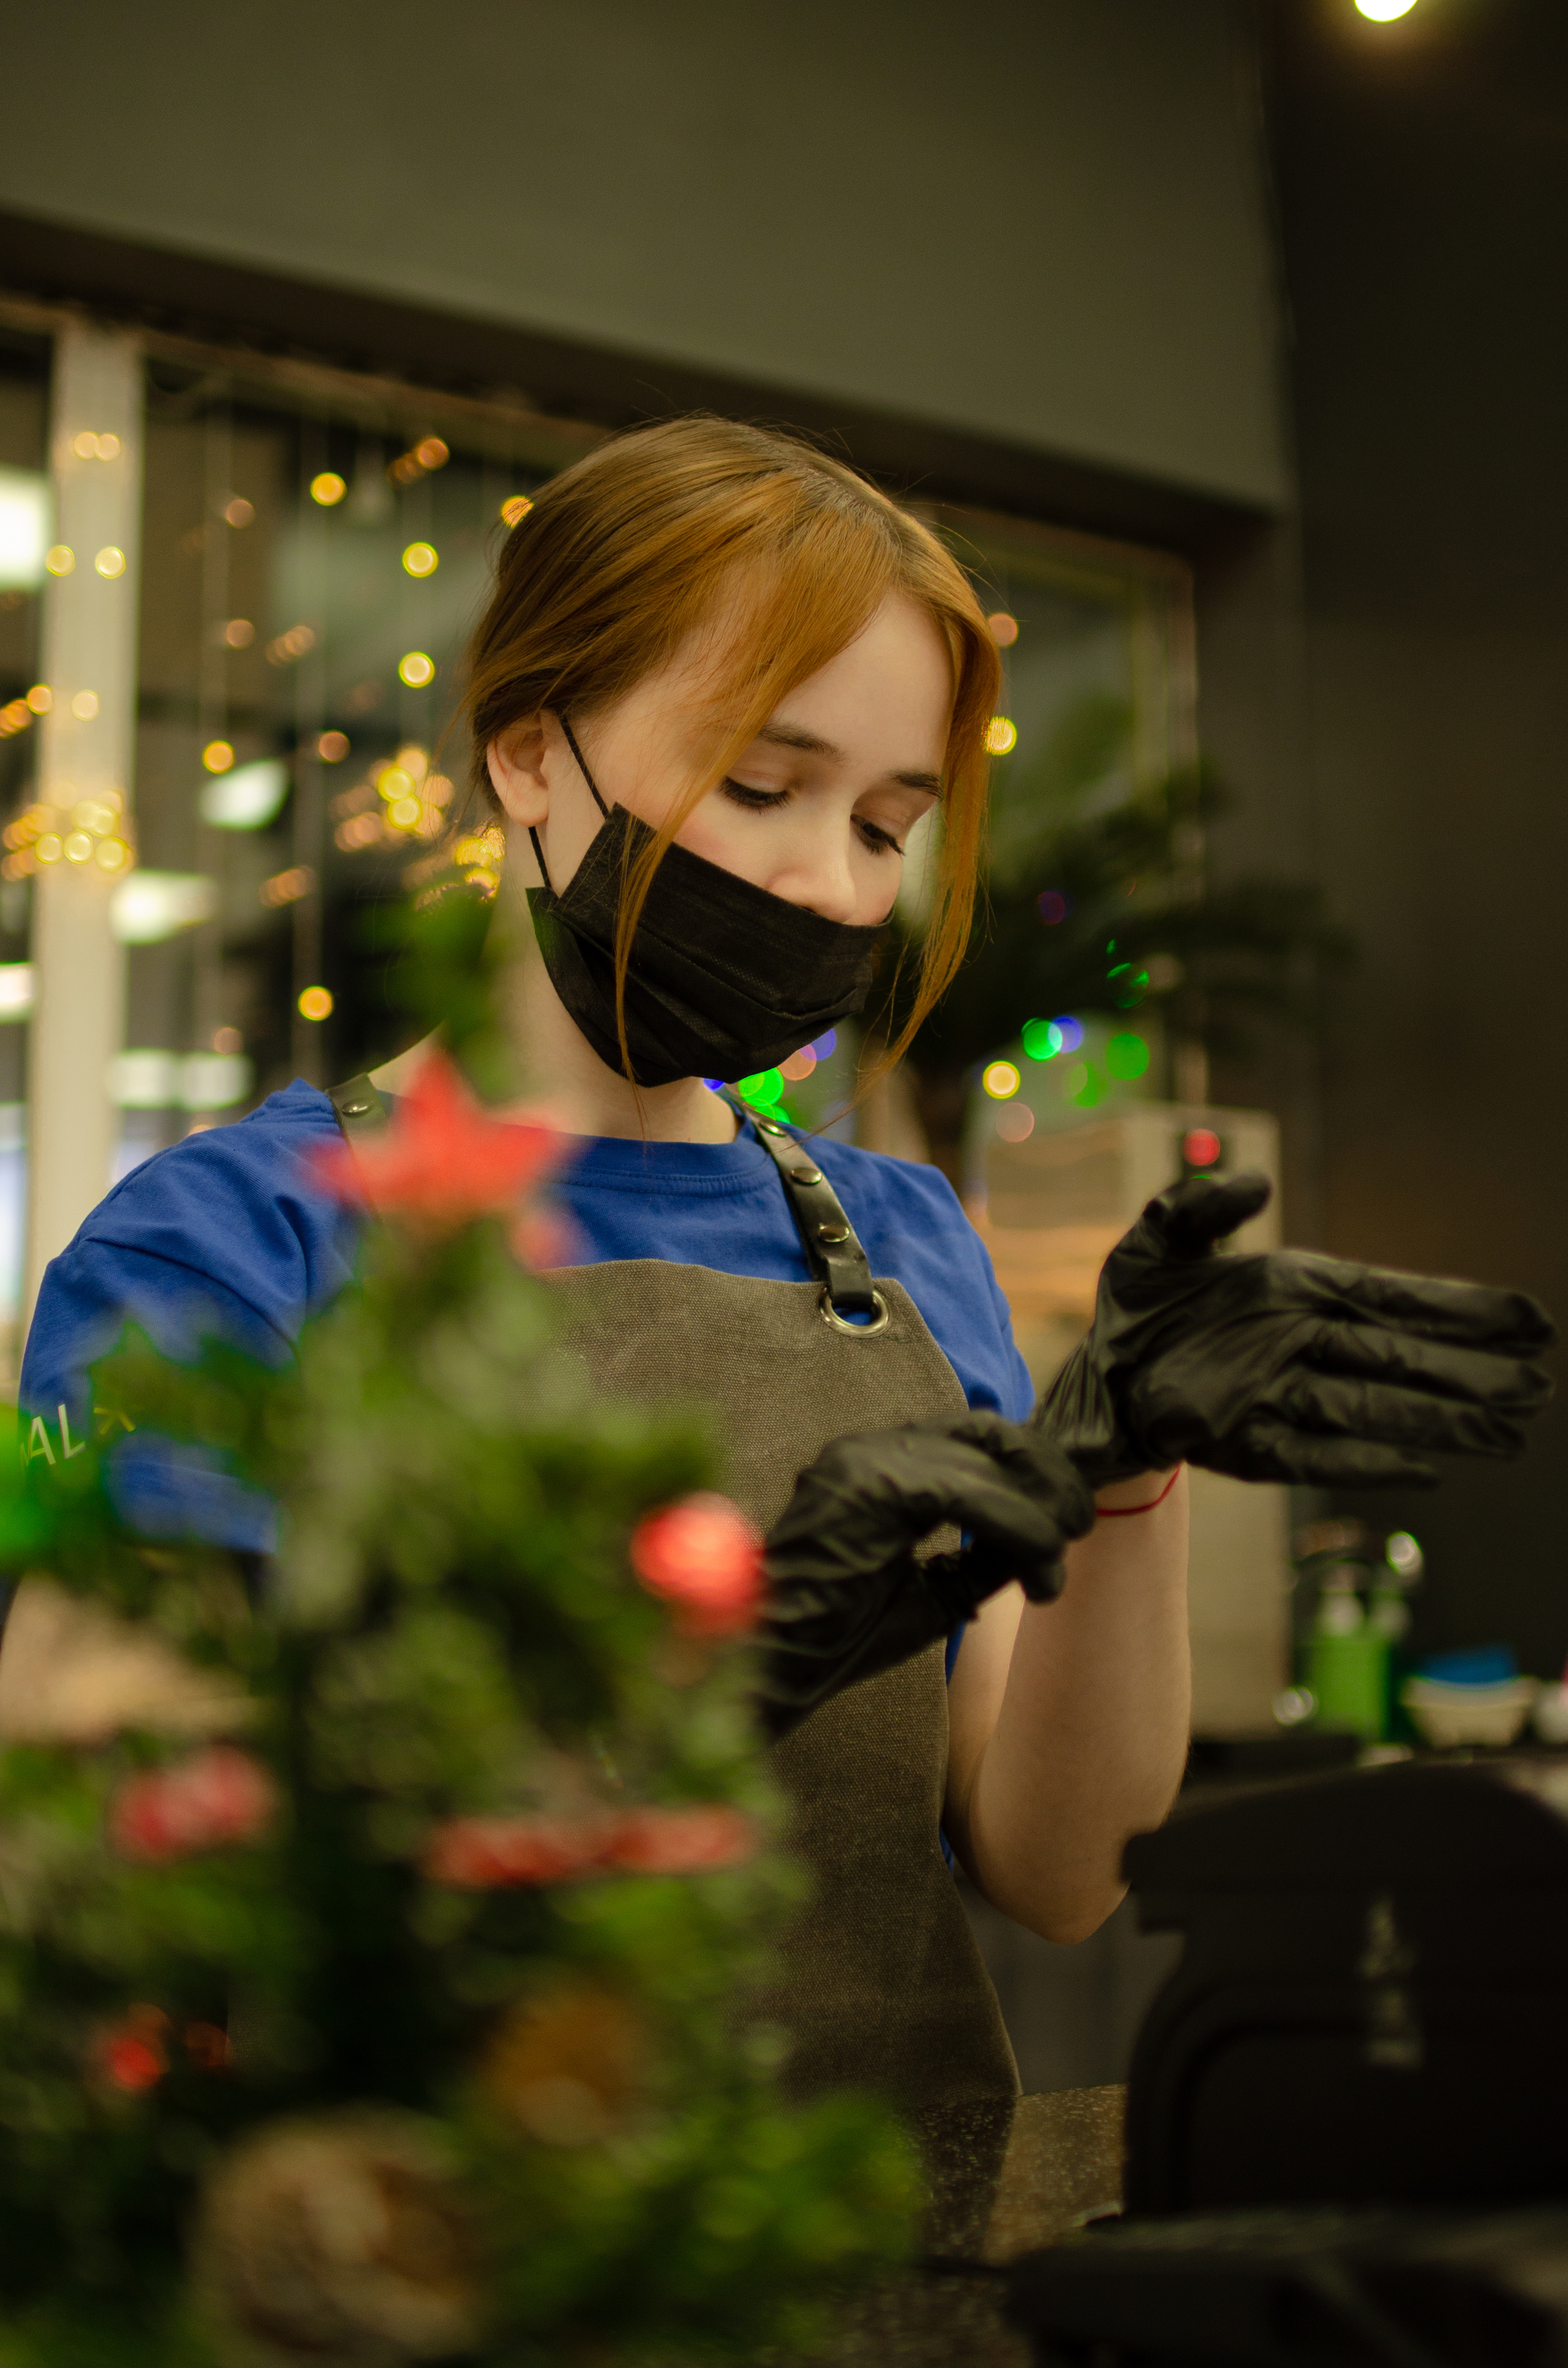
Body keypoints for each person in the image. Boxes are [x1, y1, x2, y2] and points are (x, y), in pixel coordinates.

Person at [18, 418, 1551, 2134]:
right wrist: (711, 1677)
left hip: (896, 2247)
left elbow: (1059, 1875)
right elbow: (92, 1883)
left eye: (888, 824)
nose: (828, 881)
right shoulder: (222, 1244)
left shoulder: (898, 1243)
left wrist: (1128, 1475)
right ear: (529, 754)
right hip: (443, 2280)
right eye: (761, 783)